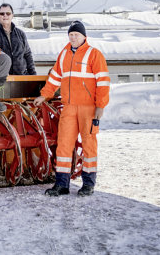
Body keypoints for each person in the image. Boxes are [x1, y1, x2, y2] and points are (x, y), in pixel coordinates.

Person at [33, 20, 110, 197]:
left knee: (89, 145)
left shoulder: (94, 54)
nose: (73, 38)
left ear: (84, 37)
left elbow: (103, 82)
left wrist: (100, 106)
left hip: (88, 108)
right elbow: (54, 78)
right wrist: (44, 95)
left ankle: (88, 184)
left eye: (77, 35)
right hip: (69, 107)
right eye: (71, 35)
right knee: (64, 145)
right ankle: (62, 184)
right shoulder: (64, 54)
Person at [0, 3, 36, 75]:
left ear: (12, 15)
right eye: (2, 13)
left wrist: (33, 75)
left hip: (21, 77)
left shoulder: (20, 34)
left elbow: (28, 55)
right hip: (1, 78)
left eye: (8, 13)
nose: (5, 15)